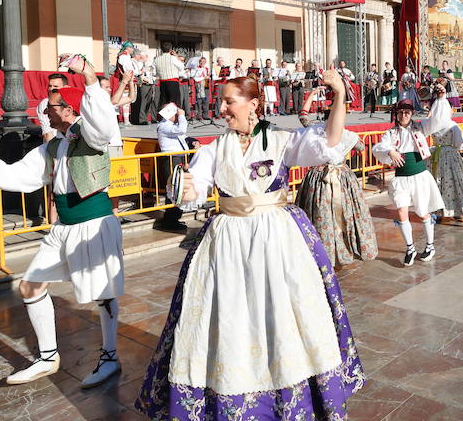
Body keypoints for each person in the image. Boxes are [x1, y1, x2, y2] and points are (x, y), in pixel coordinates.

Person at [136, 70, 365, 419]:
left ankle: (291, 393)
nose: (222, 109)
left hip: (277, 240)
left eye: (229, 101)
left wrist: (338, 97)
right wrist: (186, 189)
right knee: (229, 317)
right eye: (221, 102)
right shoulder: (213, 149)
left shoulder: (279, 141)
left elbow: (329, 142)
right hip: (227, 243)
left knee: (283, 314)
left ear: (253, 104)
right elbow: (194, 189)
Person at [0, 55, 124, 388]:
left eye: (51, 107)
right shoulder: (52, 148)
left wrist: (90, 79)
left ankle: (110, 357)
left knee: (103, 293)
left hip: (93, 224)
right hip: (63, 227)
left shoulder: (89, 136)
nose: (45, 112)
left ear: (68, 110)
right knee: (31, 285)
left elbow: (104, 125)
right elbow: (24, 174)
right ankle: (48, 359)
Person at [295, 90, 377, 267]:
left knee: (320, 214)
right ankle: (346, 248)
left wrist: (311, 95)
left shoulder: (314, 130)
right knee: (346, 213)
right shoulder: (347, 135)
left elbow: (303, 114)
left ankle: (323, 254)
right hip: (341, 177)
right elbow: (362, 148)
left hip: (318, 178)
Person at [372, 94, 449, 265]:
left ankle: (430, 246)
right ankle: (410, 247)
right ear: (397, 113)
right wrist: (390, 152)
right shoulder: (391, 133)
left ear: (412, 113)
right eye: (401, 112)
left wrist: (441, 99)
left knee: (422, 213)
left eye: (407, 112)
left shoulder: (420, 128)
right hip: (401, 179)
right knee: (401, 211)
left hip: (418, 176)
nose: (404, 115)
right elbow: (378, 148)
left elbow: (438, 120)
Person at [427, 84, 463, 222]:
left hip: (435, 155)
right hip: (450, 155)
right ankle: (455, 209)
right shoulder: (452, 126)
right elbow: (459, 144)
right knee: (454, 182)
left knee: (437, 182)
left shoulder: (431, 124)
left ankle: (436, 211)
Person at [155, 103, 189, 233]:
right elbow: (182, 130)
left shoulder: (171, 126)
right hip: (170, 159)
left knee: (178, 190)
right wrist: (182, 116)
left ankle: (174, 218)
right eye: (175, 114)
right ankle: (170, 221)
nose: (177, 116)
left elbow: (183, 137)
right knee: (174, 190)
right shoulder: (163, 126)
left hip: (177, 158)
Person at [36, 73, 69, 142]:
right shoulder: (44, 104)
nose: (51, 89)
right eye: (50, 86)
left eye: (55, 86)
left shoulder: (73, 99)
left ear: (65, 87)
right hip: (54, 144)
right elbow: (48, 133)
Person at [153, 43, 183, 108]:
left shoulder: (157, 59)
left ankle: (165, 118)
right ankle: (173, 117)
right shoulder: (173, 58)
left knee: (164, 101)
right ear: (170, 50)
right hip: (173, 82)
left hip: (162, 82)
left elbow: (154, 72)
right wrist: (176, 56)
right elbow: (181, 67)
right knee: (174, 102)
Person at [132, 52, 157, 125]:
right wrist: (143, 78)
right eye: (141, 57)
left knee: (149, 102)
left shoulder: (150, 64)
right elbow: (139, 74)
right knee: (143, 102)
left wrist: (152, 79)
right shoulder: (139, 64)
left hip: (151, 83)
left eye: (144, 57)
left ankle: (145, 118)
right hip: (143, 84)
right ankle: (142, 119)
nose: (142, 58)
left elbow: (153, 73)